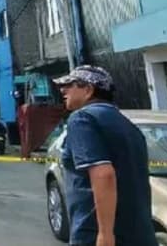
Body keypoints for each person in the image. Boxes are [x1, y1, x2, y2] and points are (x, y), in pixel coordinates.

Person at [54, 65, 155, 246]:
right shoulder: (128, 126)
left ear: (88, 89)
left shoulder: (82, 119)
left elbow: (103, 174)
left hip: (97, 233)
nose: (63, 90)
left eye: (70, 85)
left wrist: (105, 235)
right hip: (138, 233)